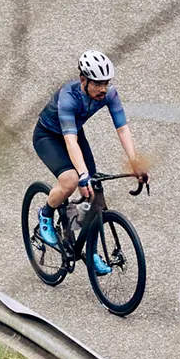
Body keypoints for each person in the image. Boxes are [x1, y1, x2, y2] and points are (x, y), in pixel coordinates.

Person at [33, 49, 147, 276]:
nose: (103, 89)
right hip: (49, 136)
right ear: (83, 80)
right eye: (97, 84)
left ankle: (87, 246)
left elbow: (122, 128)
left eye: (106, 83)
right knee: (71, 181)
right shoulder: (68, 98)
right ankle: (46, 213)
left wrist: (134, 162)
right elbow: (69, 140)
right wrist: (82, 174)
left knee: (94, 193)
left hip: (75, 133)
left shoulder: (109, 95)